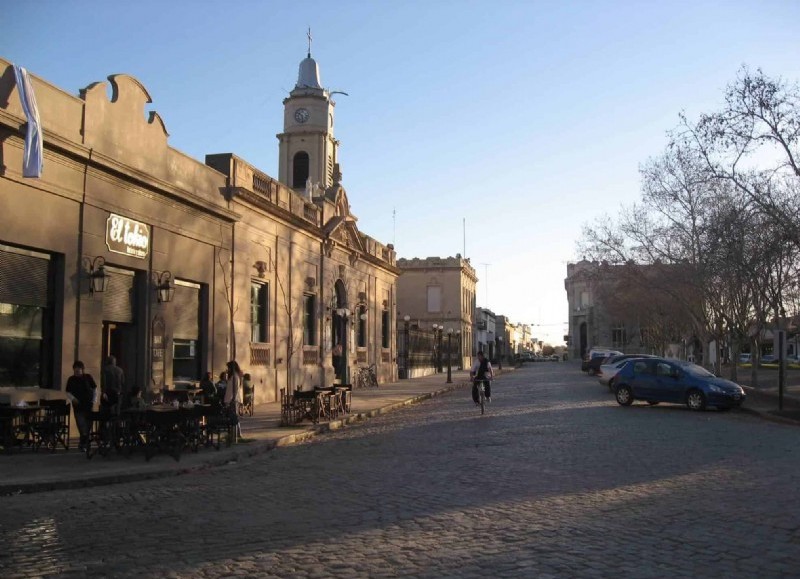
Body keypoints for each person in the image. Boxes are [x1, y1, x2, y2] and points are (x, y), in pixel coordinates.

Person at [65, 360, 97, 451]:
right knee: (81, 424)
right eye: (75, 370)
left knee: (88, 425)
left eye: (79, 369)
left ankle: (83, 443)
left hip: (88, 405)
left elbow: (95, 388)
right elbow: (67, 392)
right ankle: (83, 443)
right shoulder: (71, 379)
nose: (77, 371)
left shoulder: (88, 377)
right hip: (78, 406)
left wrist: (94, 400)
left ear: (82, 369)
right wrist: (73, 399)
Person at [224, 361, 242, 440]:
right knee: (234, 417)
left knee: (234, 417)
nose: (228, 369)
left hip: (233, 399)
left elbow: (234, 389)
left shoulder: (235, 377)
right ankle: (237, 434)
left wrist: (231, 399)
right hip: (231, 398)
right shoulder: (233, 376)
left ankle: (236, 434)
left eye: (229, 368)